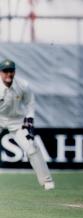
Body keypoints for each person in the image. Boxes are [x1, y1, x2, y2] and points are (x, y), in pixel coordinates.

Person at [0, 59, 55, 190]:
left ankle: (46, 181)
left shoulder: (23, 85)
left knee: (32, 147)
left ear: (14, 72)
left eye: (11, 71)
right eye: (5, 71)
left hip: (17, 121)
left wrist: (29, 119)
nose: (8, 74)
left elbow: (30, 103)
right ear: (0, 72)